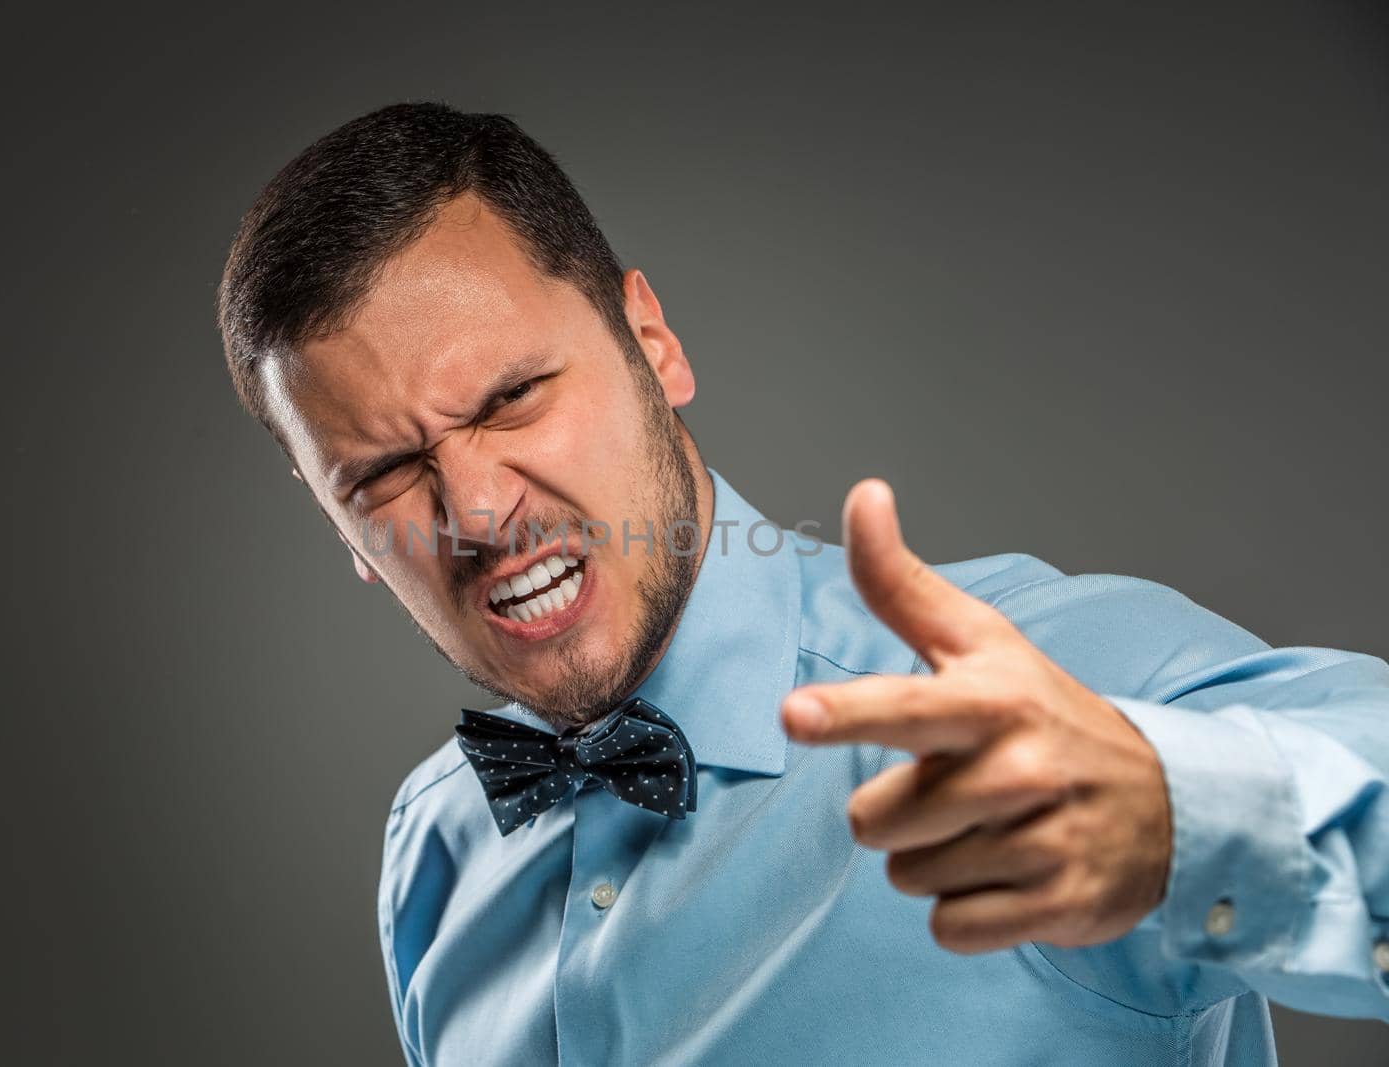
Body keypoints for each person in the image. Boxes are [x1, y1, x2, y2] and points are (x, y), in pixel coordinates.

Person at [216, 100, 1389, 1065]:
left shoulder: (1037, 702)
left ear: (651, 344)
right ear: (347, 538)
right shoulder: (435, 847)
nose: (475, 511)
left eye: (512, 397)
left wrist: (1189, 821)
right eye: (383, 474)